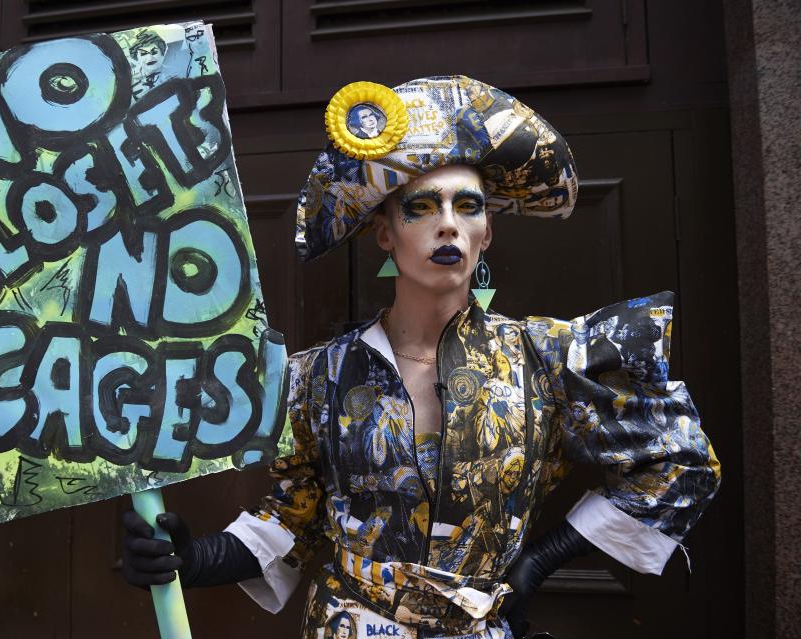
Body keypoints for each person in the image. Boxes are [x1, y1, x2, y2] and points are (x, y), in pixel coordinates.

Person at [121, 76, 721, 638]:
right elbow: (289, 518)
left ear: (488, 232)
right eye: (422, 207)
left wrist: (541, 560)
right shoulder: (319, 377)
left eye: (469, 206)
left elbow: (677, 463)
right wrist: (192, 557)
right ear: (386, 232)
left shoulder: (548, 358)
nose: (448, 227)